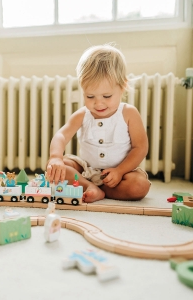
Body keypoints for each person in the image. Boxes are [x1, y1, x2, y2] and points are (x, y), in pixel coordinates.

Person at [46, 44, 151, 203]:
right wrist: (55, 157)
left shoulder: (129, 113)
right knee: (60, 168)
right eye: (90, 96)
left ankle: (97, 189)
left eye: (107, 96)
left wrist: (120, 171)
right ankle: (89, 186)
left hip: (121, 173)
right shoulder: (82, 114)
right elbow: (61, 135)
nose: (98, 104)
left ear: (122, 87)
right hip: (87, 170)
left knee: (139, 186)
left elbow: (141, 147)